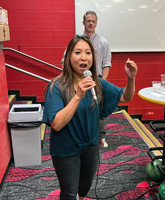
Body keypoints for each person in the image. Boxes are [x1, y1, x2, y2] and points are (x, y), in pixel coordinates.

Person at [43, 35, 137, 200]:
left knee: (83, 189)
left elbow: (125, 97)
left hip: (90, 146)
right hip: (66, 149)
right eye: (78, 52)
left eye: (88, 52)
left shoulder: (96, 83)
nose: (83, 57)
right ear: (68, 57)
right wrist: (78, 95)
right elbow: (56, 123)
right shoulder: (56, 87)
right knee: (69, 193)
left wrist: (131, 79)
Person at [61, 11, 112, 147]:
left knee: (98, 109)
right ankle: (80, 136)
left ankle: (100, 136)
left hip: (97, 80)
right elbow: (64, 61)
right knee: (79, 109)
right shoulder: (75, 42)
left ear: (96, 23)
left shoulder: (103, 42)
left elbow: (106, 64)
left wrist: (102, 82)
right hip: (77, 81)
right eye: (88, 21)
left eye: (93, 21)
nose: (90, 23)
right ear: (83, 22)